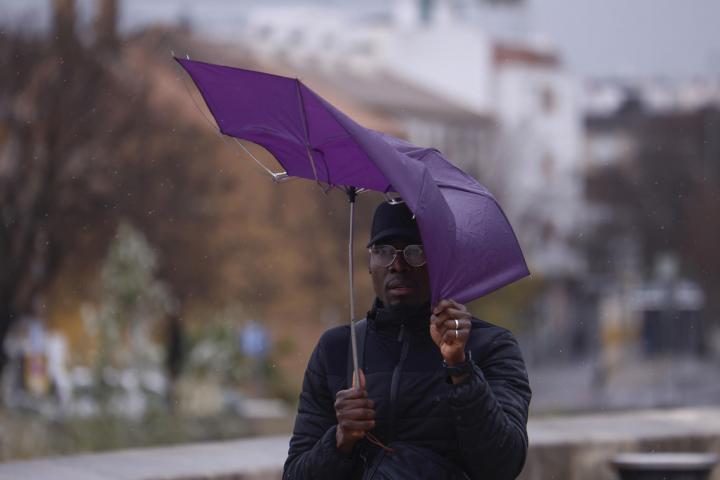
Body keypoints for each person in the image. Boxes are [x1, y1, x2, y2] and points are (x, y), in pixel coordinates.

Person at [283, 202, 531, 479]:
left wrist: (461, 368)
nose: (397, 265)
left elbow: (504, 464)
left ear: (441, 262)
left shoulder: (491, 346)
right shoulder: (338, 348)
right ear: (369, 263)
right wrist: (341, 439)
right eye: (383, 251)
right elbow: (295, 474)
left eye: (416, 252)